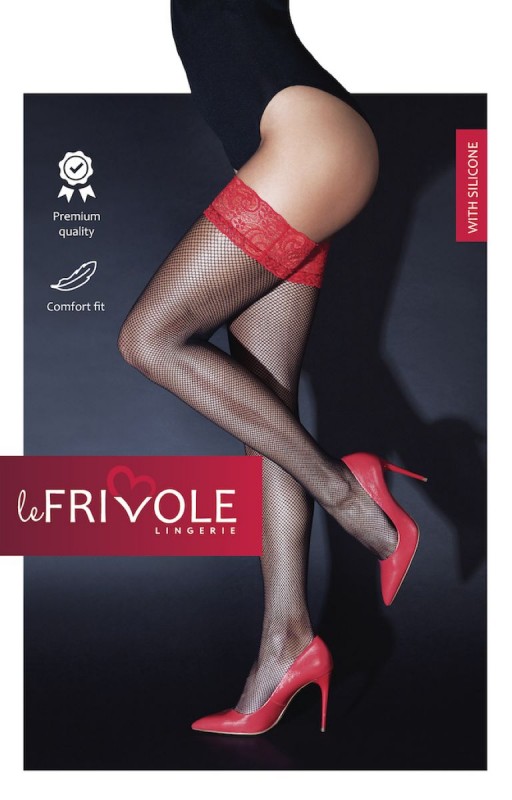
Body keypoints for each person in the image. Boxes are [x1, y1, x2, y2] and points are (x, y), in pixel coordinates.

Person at [118, 0, 427, 735]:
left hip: (309, 147)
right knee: (265, 410)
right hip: (292, 154)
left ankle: (350, 494)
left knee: (149, 340)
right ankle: (285, 644)